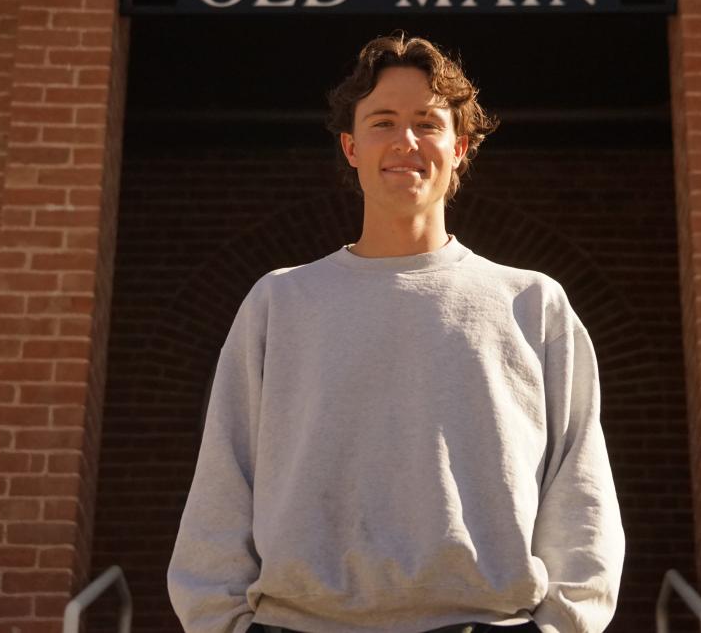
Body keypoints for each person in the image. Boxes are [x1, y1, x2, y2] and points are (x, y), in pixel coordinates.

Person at [168, 34, 624, 633]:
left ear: (459, 148)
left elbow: (581, 480)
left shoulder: (531, 303)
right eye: (382, 122)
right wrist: (222, 622)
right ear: (351, 147)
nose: (405, 141)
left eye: (427, 123)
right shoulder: (280, 302)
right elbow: (226, 474)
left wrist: (562, 625)